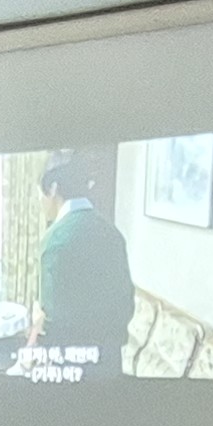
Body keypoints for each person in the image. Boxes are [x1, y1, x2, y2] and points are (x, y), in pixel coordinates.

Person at [32, 149, 136, 372]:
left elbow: (52, 324)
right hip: (109, 363)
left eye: (40, 194)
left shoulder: (55, 240)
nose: (40, 202)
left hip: (71, 366)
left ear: (53, 188)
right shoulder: (113, 234)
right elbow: (126, 305)